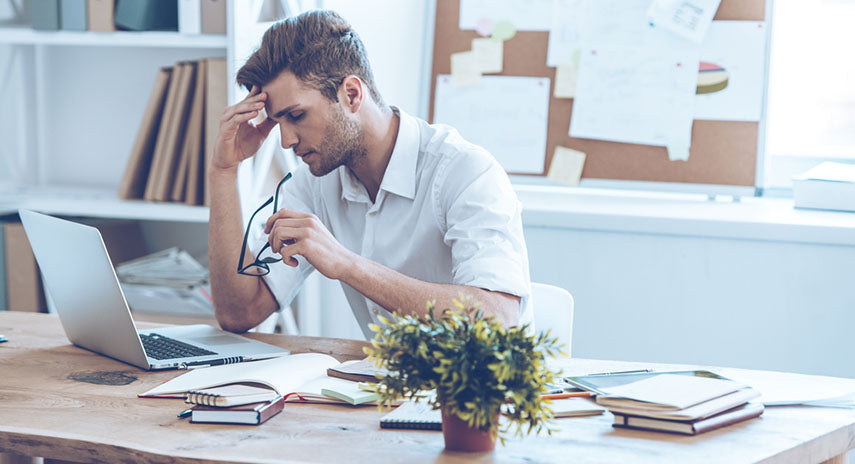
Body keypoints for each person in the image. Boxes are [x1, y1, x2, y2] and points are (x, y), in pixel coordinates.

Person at [208, 10, 532, 338]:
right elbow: (240, 313)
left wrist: (347, 265)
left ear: (351, 94)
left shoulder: (465, 171)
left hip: (483, 386)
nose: (287, 141)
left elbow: (498, 319)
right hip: (384, 383)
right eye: (278, 123)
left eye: (296, 115)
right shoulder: (314, 183)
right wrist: (224, 171)